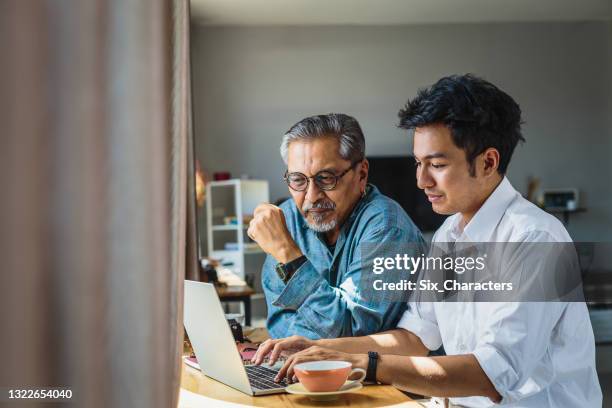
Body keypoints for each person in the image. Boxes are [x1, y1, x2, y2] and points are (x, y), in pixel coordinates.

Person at [253, 75, 602, 407]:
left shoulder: (535, 239)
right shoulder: (450, 236)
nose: (421, 181)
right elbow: (414, 339)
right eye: (418, 163)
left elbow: (493, 375)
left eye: (435, 164)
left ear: (488, 162)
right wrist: (321, 347)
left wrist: (365, 363)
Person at [247, 113, 426, 339]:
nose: (312, 196)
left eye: (326, 178)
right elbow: (279, 321)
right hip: (306, 368)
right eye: (298, 180)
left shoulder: (388, 228)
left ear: (361, 174)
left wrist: (289, 255)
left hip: (380, 373)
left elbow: (350, 331)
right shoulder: (288, 219)